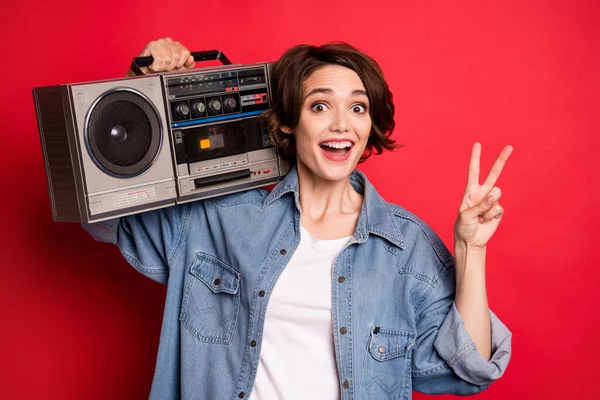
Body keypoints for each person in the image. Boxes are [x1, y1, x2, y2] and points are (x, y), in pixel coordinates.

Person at [85, 37, 513, 400]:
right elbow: (101, 215)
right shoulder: (221, 216)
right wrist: (140, 94)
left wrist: (471, 248)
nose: (341, 124)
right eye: (320, 107)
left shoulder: (405, 246)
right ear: (289, 124)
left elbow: (468, 368)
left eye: (358, 108)